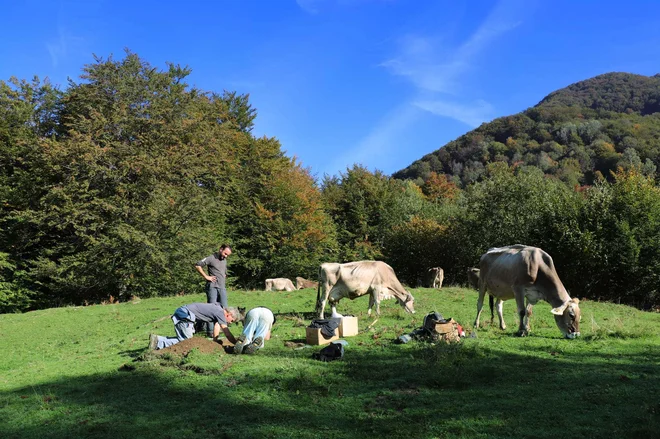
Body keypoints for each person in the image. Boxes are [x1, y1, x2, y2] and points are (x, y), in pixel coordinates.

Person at [148, 302, 243, 350]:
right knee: (187, 342)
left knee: (183, 340)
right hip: (186, 315)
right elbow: (226, 332)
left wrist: (215, 341)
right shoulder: (220, 312)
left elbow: (217, 326)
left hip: (183, 313)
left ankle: (158, 340)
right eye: (232, 320)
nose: (230, 323)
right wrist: (236, 343)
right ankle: (158, 342)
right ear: (229, 314)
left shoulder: (218, 309)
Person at [195, 244, 232, 336]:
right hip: (212, 287)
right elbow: (197, 265)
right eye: (225, 253)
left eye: (227, 255)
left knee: (224, 308)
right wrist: (206, 276)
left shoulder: (224, 260)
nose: (226, 256)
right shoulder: (211, 258)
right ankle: (210, 332)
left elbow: (224, 272)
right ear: (220, 249)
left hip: (222, 287)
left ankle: (222, 331)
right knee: (211, 309)